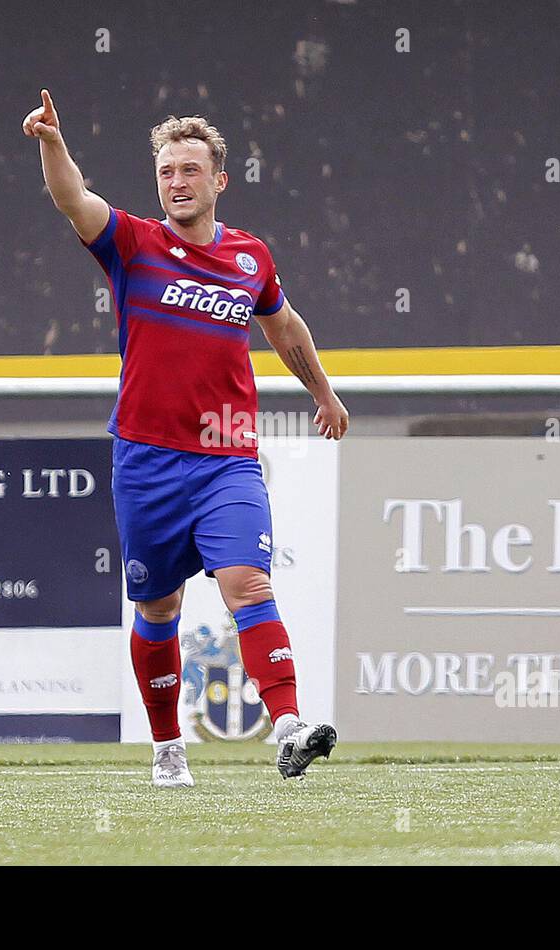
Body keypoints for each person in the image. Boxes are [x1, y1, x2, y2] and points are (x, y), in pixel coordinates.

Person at [24, 90, 349, 787]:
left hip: (227, 453)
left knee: (247, 581)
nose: (177, 181)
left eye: (190, 170)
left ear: (219, 180)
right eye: (167, 171)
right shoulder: (134, 243)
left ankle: (289, 726)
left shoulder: (249, 258)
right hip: (145, 460)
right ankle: (168, 747)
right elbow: (72, 198)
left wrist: (322, 391)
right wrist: (53, 142)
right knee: (158, 607)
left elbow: (285, 328)